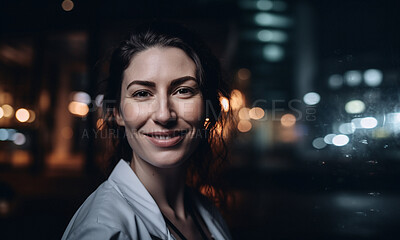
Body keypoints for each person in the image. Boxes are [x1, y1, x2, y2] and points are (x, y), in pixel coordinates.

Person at [62, 21, 233, 240]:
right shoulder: (104, 231)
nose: (164, 115)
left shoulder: (207, 213)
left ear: (206, 108)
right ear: (117, 113)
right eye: (142, 93)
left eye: (183, 90)